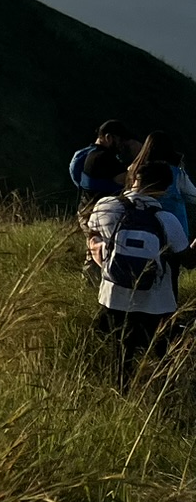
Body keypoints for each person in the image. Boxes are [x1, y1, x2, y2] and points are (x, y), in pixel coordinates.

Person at [88, 160, 190, 381]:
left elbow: (92, 238)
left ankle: (120, 395)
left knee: (121, 356)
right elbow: (188, 260)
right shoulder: (167, 220)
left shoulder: (105, 206)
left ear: (135, 179)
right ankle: (164, 398)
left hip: (114, 297)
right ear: (165, 188)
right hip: (156, 304)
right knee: (162, 357)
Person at [72, 120, 137, 228]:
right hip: (100, 216)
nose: (122, 145)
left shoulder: (93, 155)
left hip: (87, 211)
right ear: (108, 138)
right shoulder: (104, 157)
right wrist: (138, 157)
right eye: (120, 140)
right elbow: (128, 180)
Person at [129, 132, 194, 237]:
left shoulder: (134, 170)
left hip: (141, 228)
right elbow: (193, 196)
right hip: (174, 230)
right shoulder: (176, 173)